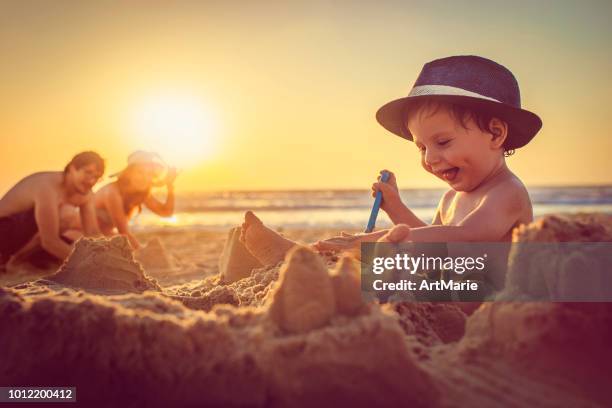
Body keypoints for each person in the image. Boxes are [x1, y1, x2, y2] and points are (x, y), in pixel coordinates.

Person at [236, 55, 542, 271]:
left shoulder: (506, 192)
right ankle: (299, 259)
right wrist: (395, 207)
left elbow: (465, 235)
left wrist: (367, 242)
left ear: (496, 133)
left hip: (486, 295)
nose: (430, 158)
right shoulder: (452, 197)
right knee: (382, 265)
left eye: (443, 142)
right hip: (454, 286)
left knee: (381, 269)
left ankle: (302, 262)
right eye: (421, 147)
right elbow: (433, 241)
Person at [0, 151, 105, 268]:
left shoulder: (86, 193)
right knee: (66, 213)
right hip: (5, 228)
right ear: (72, 168)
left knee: (66, 225)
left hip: (26, 239)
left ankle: (16, 260)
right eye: (88, 172)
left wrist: (111, 254)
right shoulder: (48, 186)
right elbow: (50, 241)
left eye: (97, 176)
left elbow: (92, 232)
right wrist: (89, 264)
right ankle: (9, 259)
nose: (91, 181)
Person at [92, 151, 177, 250]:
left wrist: (170, 187)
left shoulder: (140, 193)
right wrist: (142, 252)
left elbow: (166, 213)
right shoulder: (112, 192)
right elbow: (123, 232)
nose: (144, 177)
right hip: (80, 235)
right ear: (129, 173)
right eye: (140, 172)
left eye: (149, 174)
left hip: (102, 237)